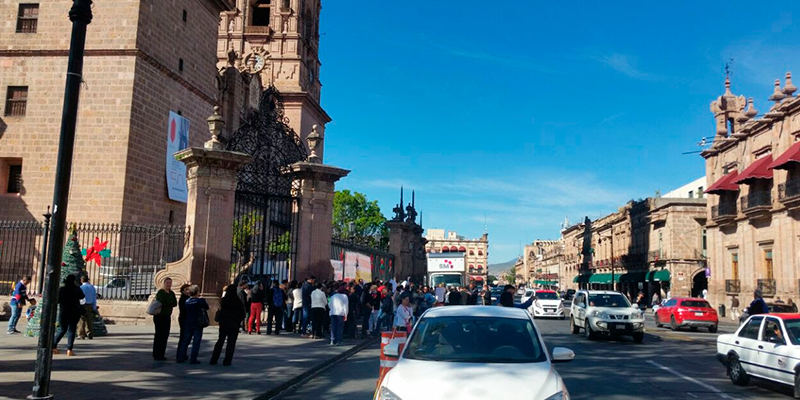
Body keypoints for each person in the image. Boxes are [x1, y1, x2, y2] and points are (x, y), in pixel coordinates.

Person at [210, 284, 246, 366]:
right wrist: (237, 321)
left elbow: (220, 311)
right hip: (234, 324)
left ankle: (214, 359)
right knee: (231, 343)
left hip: (224, 323)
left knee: (220, 341)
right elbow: (242, 314)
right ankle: (227, 360)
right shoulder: (238, 301)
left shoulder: (223, 300)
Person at [53, 274, 85, 356]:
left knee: (62, 329)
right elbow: (82, 296)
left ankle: (53, 346)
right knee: (72, 330)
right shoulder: (76, 289)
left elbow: (58, 300)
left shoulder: (62, 289)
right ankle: (69, 349)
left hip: (64, 311)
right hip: (74, 311)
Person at [177, 285, 208, 364]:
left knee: (185, 340)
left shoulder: (187, 301)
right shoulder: (200, 301)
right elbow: (206, 307)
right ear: (197, 292)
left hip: (188, 322)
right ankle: (193, 358)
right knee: (196, 341)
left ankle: (180, 357)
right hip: (197, 322)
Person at [152, 278, 177, 361]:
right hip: (159, 316)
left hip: (167, 316)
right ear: (164, 283)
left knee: (165, 335)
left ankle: (162, 354)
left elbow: (174, 303)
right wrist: (168, 303)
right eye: (167, 282)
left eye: (170, 283)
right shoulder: (161, 292)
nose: (168, 284)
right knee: (159, 334)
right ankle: (156, 354)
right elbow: (162, 301)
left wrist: (167, 303)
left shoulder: (172, 293)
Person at [78, 275, 97, 340]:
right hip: (90, 305)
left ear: (82, 280)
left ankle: (81, 334)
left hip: (83, 305)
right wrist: (94, 307)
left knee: (81, 320)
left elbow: (80, 297)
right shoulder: (92, 287)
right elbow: (94, 298)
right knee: (89, 320)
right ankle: (90, 333)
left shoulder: (81, 287)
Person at [176, 283, 191, 354]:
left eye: (189, 289)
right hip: (184, 319)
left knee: (185, 337)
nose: (188, 291)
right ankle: (180, 353)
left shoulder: (187, 298)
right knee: (184, 337)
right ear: (182, 291)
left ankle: (182, 352)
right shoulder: (184, 299)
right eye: (186, 289)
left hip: (185, 318)